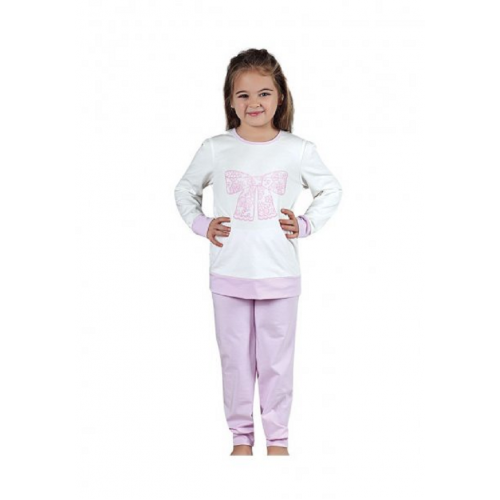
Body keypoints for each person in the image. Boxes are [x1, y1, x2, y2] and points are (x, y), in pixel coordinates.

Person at [174, 48, 343, 456]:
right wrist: (201, 224)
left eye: (264, 93)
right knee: (235, 360)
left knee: (276, 363)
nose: (255, 103)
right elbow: (185, 189)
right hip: (229, 273)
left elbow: (331, 189)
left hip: (279, 275)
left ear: (280, 96)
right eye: (244, 95)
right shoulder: (216, 148)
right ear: (230, 101)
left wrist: (305, 223)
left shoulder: (297, 149)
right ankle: (241, 438)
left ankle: (278, 439)